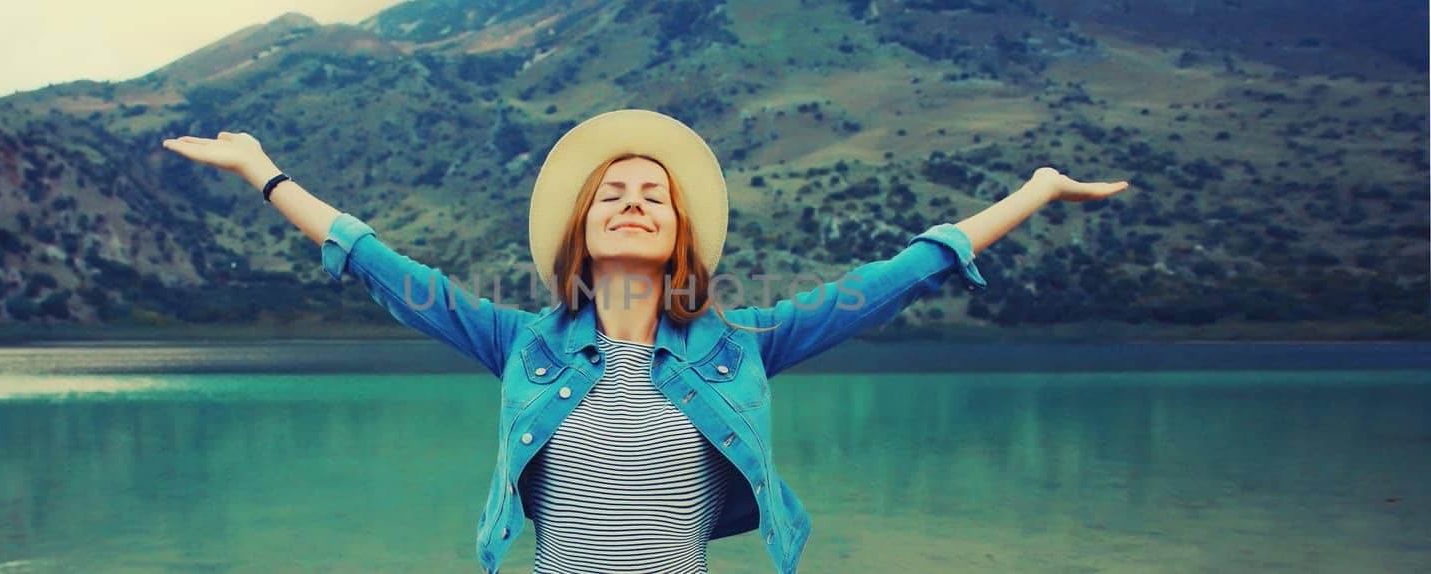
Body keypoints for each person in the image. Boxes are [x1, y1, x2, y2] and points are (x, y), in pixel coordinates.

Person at [163, 108, 1129, 573]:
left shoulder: (745, 343)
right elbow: (383, 265)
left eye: (652, 195)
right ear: (583, 231)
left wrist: (1035, 193)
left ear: (678, 235)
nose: (631, 204)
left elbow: (899, 276)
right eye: (611, 196)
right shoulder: (520, 343)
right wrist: (263, 171)